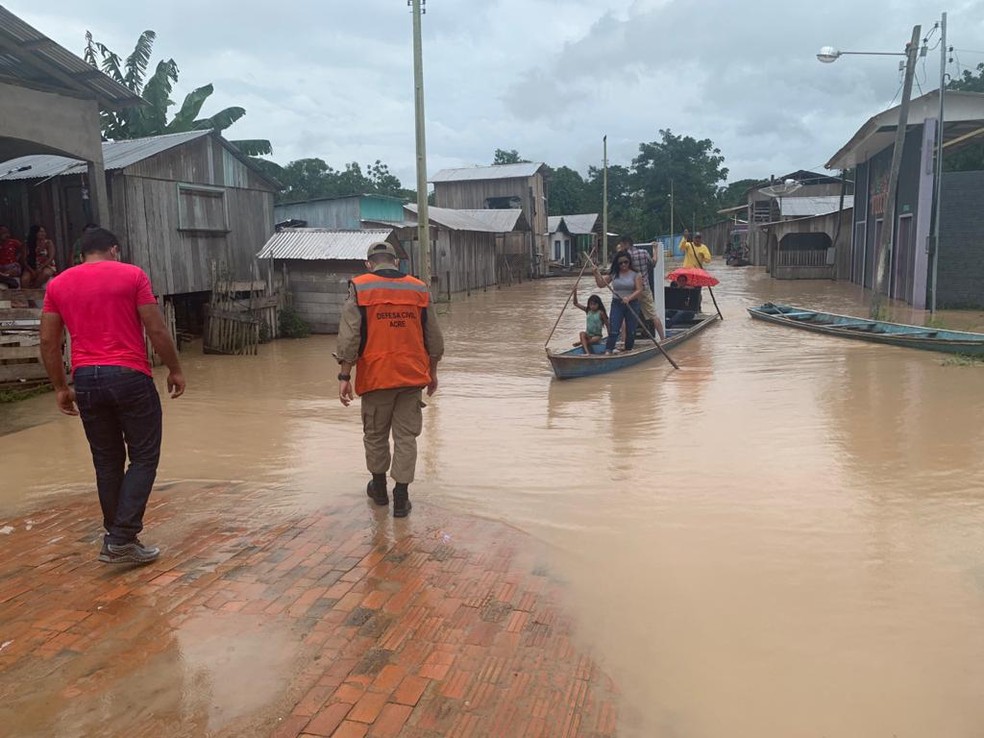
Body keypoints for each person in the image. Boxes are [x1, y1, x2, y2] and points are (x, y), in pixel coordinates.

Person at [39, 227, 186, 565]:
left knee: (106, 461)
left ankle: (118, 539)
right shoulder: (132, 275)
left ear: (81, 255)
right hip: (129, 375)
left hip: (86, 379)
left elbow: (48, 341)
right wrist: (175, 368)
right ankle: (121, 538)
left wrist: (61, 387)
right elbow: (156, 328)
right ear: (114, 250)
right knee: (144, 457)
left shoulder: (58, 284)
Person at [336, 241, 444, 518]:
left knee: (375, 435)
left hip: (376, 376)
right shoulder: (419, 288)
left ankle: (380, 490)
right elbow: (433, 336)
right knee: (406, 437)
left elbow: (350, 337)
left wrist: (344, 375)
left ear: (369, 264)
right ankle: (401, 497)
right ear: (396, 262)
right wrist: (432, 371)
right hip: (411, 377)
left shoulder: (360, 287)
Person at [610, 236, 666, 341]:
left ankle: (623, 341)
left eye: (622, 245)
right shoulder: (644, 253)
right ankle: (663, 339)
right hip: (644, 288)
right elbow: (653, 263)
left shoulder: (625, 257)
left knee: (624, 317)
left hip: (630, 290)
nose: (621, 247)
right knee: (653, 314)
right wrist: (655, 249)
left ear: (626, 244)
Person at [592, 251, 643, 354]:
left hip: (632, 304)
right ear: (617, 264)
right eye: (621, 263)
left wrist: (629, 298)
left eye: (626, 262)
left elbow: (639, 290)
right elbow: (601, 284)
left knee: (631, 331)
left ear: (629, 262)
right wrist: (596, 274)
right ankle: (608, 350)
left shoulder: (636, 274)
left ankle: (628, 350)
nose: (623, 265)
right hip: (617, 303)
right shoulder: (614, 274)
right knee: (614, 329)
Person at [572, 289, 609, 355]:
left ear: (598, 304)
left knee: (591, 340)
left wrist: (610, 337)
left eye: (594, 304)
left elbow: (607, 324)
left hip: (597, 336)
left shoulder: (601, 313)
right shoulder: (588, 310)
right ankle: (587, 353)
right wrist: (574, 292)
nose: (592, 306)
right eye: (591, 304)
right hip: (588, 335)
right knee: (582, 333)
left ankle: (581, 342)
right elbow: (575, 303)